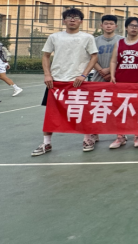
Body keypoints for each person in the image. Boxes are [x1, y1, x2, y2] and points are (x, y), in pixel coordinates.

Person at [32, 8, 99, 156]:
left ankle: (88, 139)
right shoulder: (54, 37)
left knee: (83, 111)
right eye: (69, 17)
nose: (72, 20)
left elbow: (94, 56)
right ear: (64, 20)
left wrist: (83, 75)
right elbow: (46, 55)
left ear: (81, 21)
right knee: (51, 113)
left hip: (78, 81)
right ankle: (46, 143)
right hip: (56, 82)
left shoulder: (87, 37)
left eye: (76, 17)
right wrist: (47, 74)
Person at [108, 17, 138, 149]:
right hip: (120, 81)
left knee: (136, 109)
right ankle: (120, 136)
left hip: (137, 82)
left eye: (136, 26)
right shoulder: (119, 43)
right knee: (119, 109)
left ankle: (137, 135)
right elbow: (113, 61)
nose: (134, 28)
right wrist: (112, 75)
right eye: (131, 25)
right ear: (126, 27)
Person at [92, 15, 121, 82]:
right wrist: (101, 71)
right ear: (101, 25)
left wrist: (110, 70)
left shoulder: (122, 40)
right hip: (98, 79)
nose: (108, 26)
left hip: (116, 78)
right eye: (106, 24)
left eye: (111, 24)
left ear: (116, 26)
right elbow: (91, 58)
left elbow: (124, 60)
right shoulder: (94, 41)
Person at [0, 33, 23, 97]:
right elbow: (3, 54)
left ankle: (16, 88)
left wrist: (5, 63)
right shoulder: (0, 44)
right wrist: (6, 63)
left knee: (2, 77)